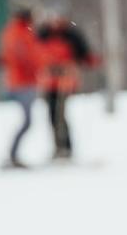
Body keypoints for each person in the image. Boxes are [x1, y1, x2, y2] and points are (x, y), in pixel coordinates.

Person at [37, 14, 98, 161]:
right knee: (53, 115)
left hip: (65, 82)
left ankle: (65, 147)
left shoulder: (71, 35)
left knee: (60, 114)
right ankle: (59, 147)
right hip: (48, 82)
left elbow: (84, 55)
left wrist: (89, 61)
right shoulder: (43, 35)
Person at [0, 5, 41, 168]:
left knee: (27, 121)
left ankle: (13, 155)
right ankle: (13, 155)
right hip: (23, 82)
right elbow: (24, 56)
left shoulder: (14, 31)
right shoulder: (20, 32)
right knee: (27, 121)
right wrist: (39, 66)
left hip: (20, 81)